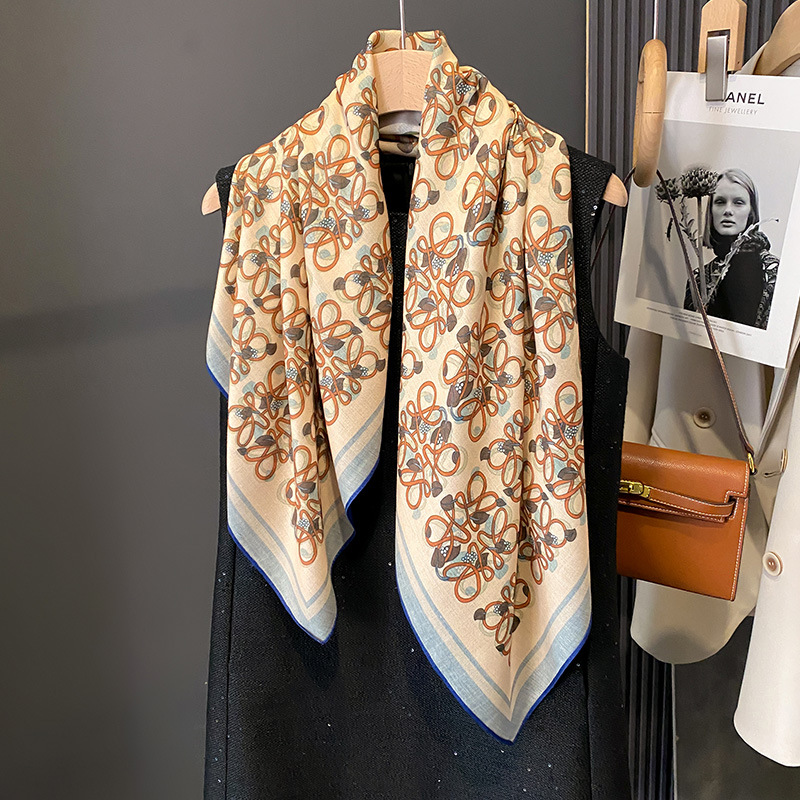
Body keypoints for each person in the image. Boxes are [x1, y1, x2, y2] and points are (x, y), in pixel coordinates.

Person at [683, 168, 779, 329]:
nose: (728, 211)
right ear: (711, 211)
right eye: (720, 202)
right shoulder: (698, 278)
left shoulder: (774, 272)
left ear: (751, 212)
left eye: (738, 202)